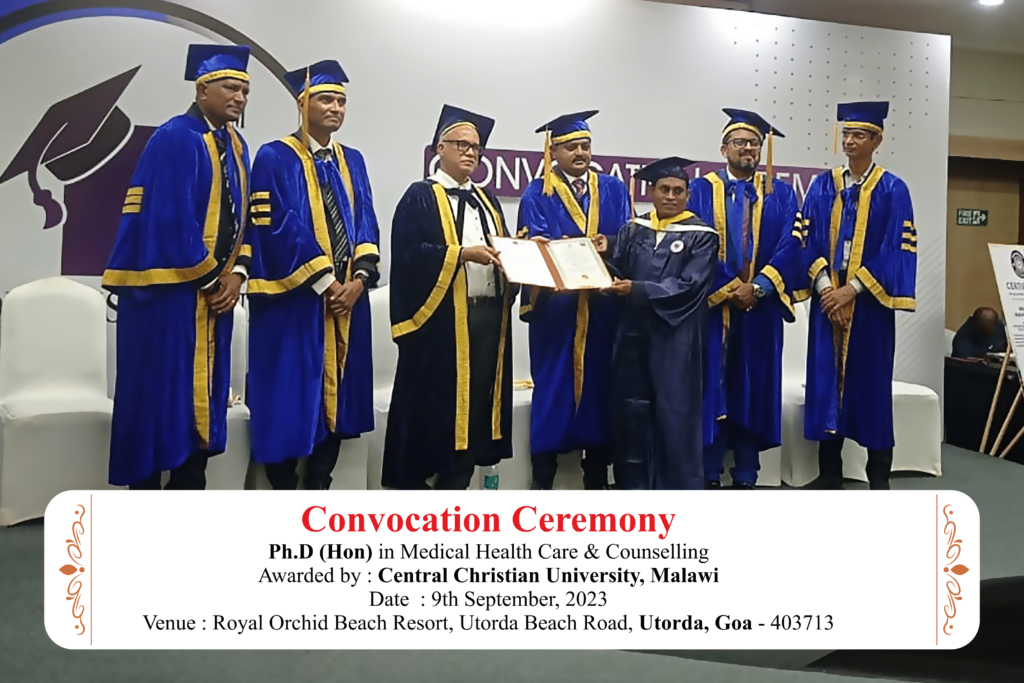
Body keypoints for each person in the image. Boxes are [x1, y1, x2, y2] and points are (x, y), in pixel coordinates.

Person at [101, 44, 253, 489]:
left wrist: (237, 274)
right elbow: (169, 219)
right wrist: (213, 279)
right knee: (160, 396)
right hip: (165, 297)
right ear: (202, 89)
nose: (240, 97)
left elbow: (244, 220)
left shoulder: (236, 145)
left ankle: (188, 489)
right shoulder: (176, 137)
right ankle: (147, 497)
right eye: (230, 87)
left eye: (245, 91)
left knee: (202, 397)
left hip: (212, 295)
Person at [245, 60, 380, 490]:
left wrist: (360, 279)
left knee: (340, 393)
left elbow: (366, 220)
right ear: (301, 104)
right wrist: (326, 280)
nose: (335, 108)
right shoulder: (274, 156)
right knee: (288, 392)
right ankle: (283, 486)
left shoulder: (352, 160)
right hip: (295, 299)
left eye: (341, 101)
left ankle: (321, 481)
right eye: (325, 99)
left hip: (348, 298)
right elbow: (278, 224)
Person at [381, 105, 517, 490]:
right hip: (441, 326)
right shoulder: (420, 196)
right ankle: (423, 490)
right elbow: (409, 255)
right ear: (440, 148)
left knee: (476, 410)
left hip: (488, 321)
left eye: (476, 147)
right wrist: (460, 255)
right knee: (438, 411)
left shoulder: (487, 200)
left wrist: (524, 252)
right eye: (462, 145)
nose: (471, 152)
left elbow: (502, 249)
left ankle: (459, 483)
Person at [801, 101, 917, 490]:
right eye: (846, 134)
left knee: (870, 387)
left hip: (870, 307)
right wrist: (828, 291)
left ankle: (878, 479)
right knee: (825, 384)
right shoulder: (823, 185)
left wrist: (851, 291)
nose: (850, 141)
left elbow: (896, 248)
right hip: (827, 302)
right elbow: (806, 239)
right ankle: (829, 473)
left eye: (859, 135)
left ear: (876, 140)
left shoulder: (893, 188)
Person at [687, 109, 805, 490]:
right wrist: (729, 287)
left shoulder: (781, 193)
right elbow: (696, 243)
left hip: (760, 308)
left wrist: (759, 287)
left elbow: (793, 245)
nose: (748, 149)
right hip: (714, 308)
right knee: (713, 383)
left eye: (754, 143)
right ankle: (708, 471)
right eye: (739, 142)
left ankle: (746, 473)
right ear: (724, 149)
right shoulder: (700, 189)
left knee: (754, 384)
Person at [517, 111, 632, 490]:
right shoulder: (538, 192)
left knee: (601, 387)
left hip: (603, 309)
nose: (580, 153)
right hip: (558, 311)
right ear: (553, 152)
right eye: (571, 147)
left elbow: (630, 238)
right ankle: (543, 478)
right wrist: (557, 249)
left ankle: (596, 476)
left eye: (585, 146)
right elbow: (532, 242)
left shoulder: (613, 188)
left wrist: (608, 243)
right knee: (553, 387)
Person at [594, 157, 719, 490]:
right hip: (631, 336)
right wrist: (592, 262)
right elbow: (617, 269)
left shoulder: (702, 236)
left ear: (688, 195)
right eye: (664, 189)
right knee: (630, 411)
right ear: (652, 192)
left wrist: (637, 290)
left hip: (675, 338)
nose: (671, 196)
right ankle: (632, 486)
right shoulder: (633, 229)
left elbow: (690, 286)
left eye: (678, 190)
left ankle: (674, 489)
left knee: (673, 413)